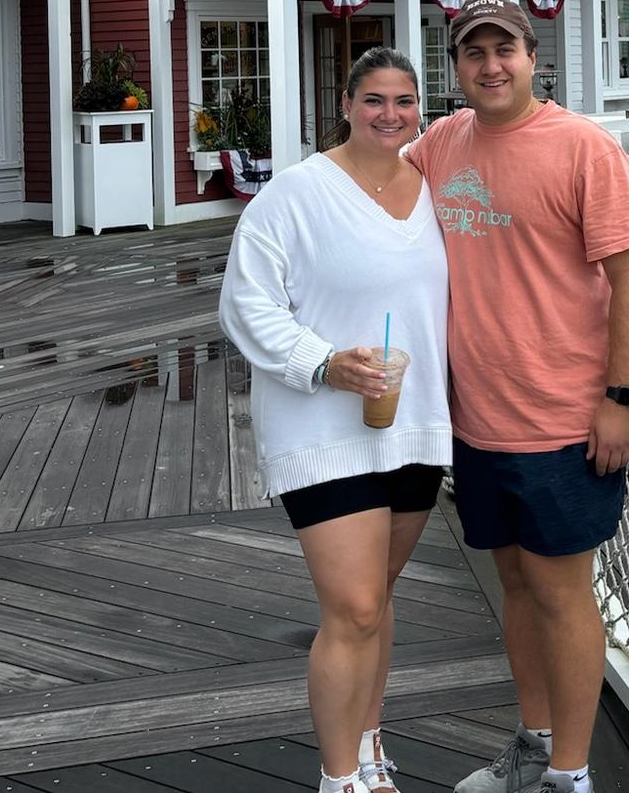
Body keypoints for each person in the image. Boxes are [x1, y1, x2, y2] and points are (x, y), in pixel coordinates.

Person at [405, 0, 629, 793]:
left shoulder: (583, 147)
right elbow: (371, 191)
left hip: (563, 421)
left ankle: (571, 776)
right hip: (478, 419)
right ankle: (536, 743)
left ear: (532, 58)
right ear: (455, 67)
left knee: (560, 592)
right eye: (474, 53)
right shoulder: (440, 144)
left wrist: (621, 397)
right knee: (514, 583)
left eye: (503, 50)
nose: (491, 66)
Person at [220, 47, 450, 793]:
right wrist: (323, 363)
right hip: (321, 430)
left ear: (420, 111)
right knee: (352, 607)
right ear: (345, 106)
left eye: (404, 101)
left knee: (375, 601)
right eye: (374, 99)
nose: (390, 114)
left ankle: (369, 739)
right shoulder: (295, 195)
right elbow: (244, 304)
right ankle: (339, 776)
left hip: (413, 425)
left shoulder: (435, 190)